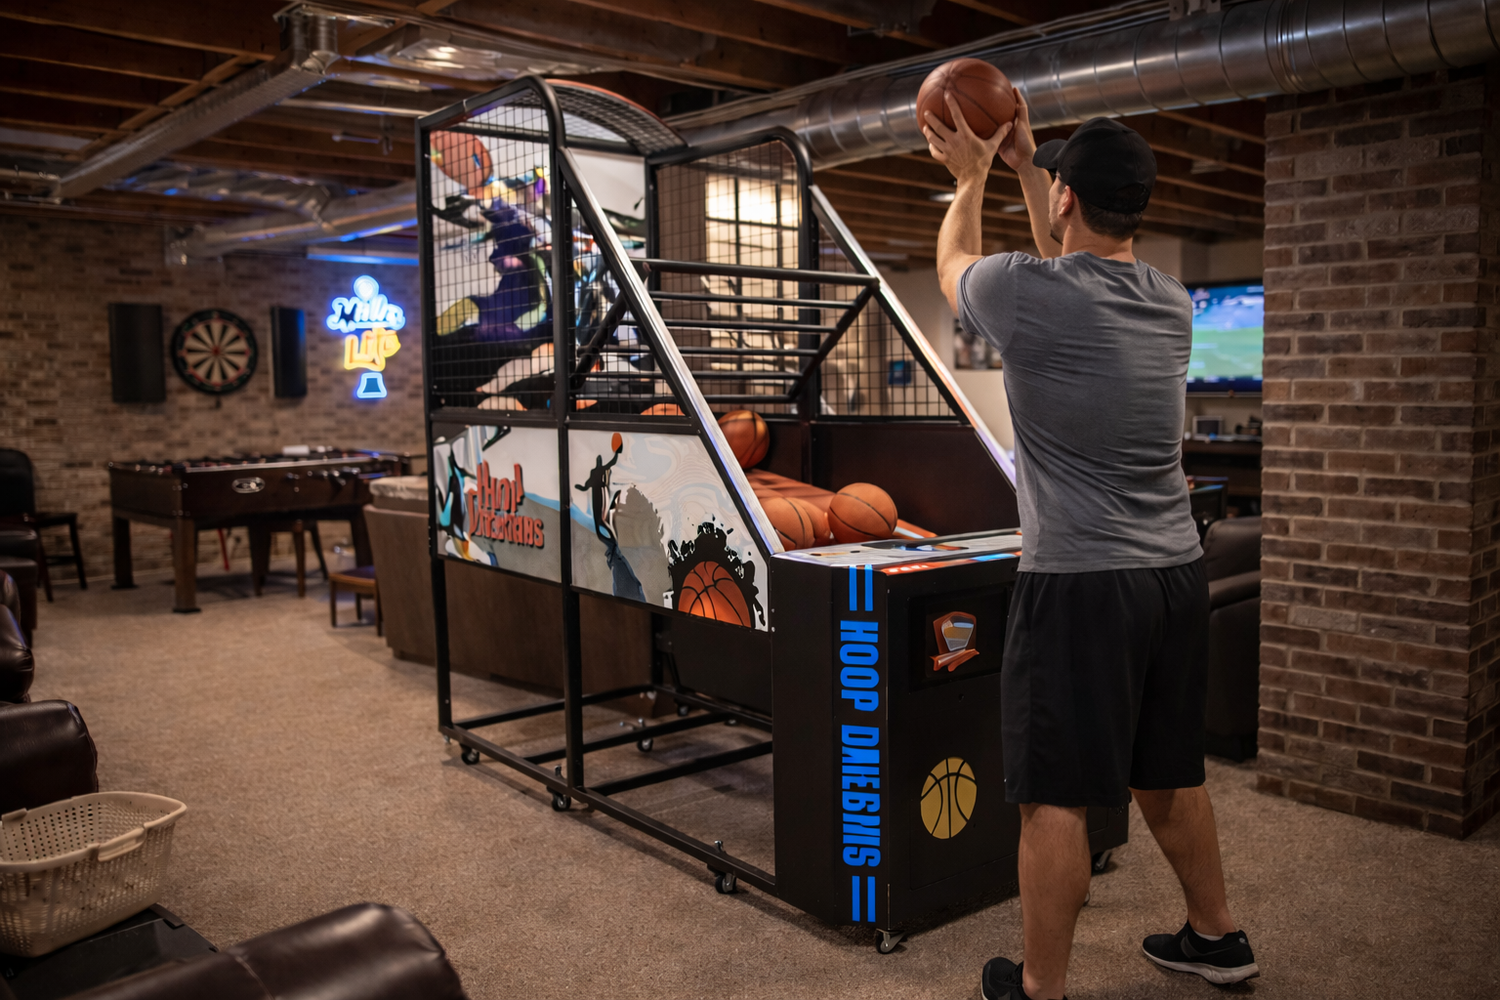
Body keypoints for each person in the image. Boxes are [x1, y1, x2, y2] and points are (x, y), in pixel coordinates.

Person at [923, 90, 1260, 1000]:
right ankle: (1216, 936)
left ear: (1068, 197)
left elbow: (952, 262)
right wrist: (1035, 165)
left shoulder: (1021, 293)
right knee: (1168, 771)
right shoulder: (1170, 301)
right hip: (1173, 575)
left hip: (1079, 583)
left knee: (1054, 794)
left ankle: (1040, 987)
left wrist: (974, 175)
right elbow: (1065, 255)